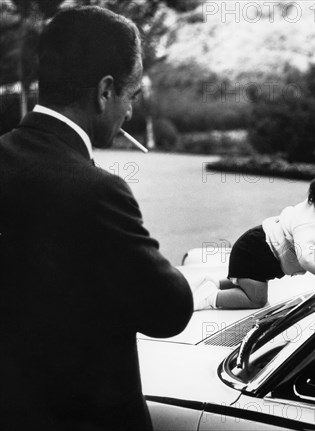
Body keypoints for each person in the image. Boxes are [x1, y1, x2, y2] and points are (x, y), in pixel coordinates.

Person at [0, 7, 197, 431]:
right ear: (105, 91)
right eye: (132, 94)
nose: (129, 112)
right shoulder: (98, 190)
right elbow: (170, 310)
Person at [195, 161, 315, 310]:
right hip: (254, 252)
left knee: (248, 283)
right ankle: (210, 297)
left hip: (264, 255)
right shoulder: (307, 223)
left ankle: (213, 283)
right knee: (257, 300)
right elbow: (308, 259)